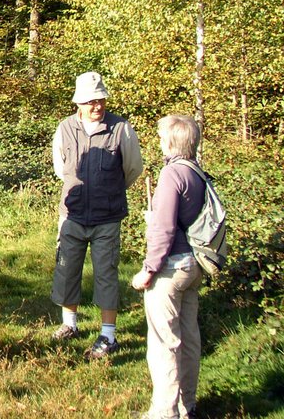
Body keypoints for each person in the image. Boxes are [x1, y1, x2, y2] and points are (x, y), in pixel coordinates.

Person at [50, 71, 144, 358]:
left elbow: (133, 169)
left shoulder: (121, 129)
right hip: (73, 214)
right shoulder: (64, 128)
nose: (97, 106)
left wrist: (108, 190)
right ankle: (70, 325)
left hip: (107, 217)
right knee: (67, 269)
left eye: (100, 99)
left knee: (106, 273)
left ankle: (108, 335)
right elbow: (60, 168)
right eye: (91, 101)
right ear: (78, 103)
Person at [131, 115, 205, 419]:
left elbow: (164, 229)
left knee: (165, 343)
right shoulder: (197, 172)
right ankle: (188, 404)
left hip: (171, 269)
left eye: (162, 138)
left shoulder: (172, 174)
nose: (159, 142)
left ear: (171, 142)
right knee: (189, 338)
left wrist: (149, 269)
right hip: (193, 265)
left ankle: (165, 411)